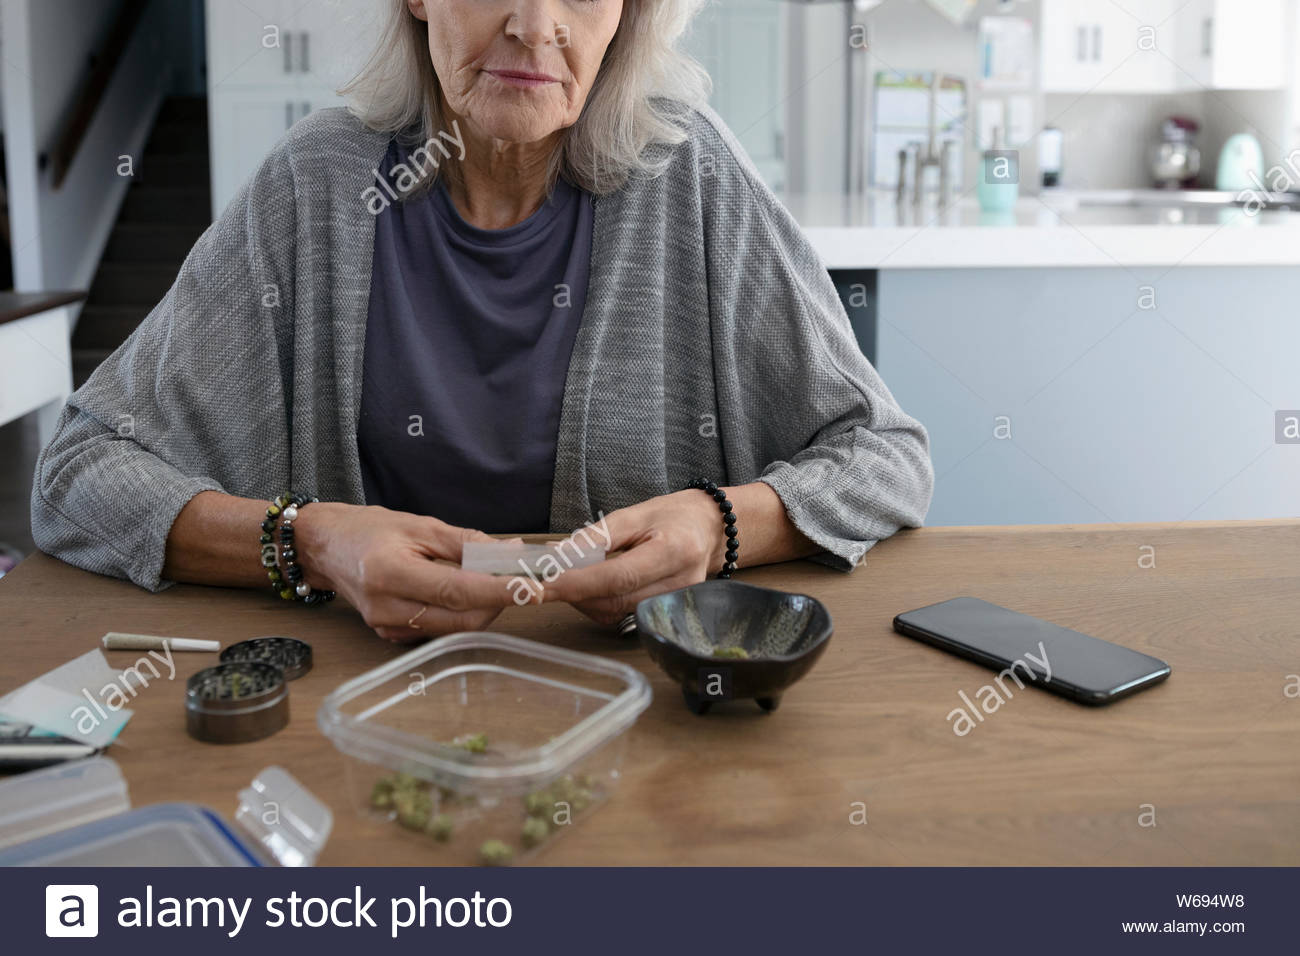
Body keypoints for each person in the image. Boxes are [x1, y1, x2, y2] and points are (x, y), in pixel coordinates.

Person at [32, 0, 932, 641]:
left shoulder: (690, 176)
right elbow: (77, 473)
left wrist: (719, 525)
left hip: (642, 715)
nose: (537, 25)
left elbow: (883, 455)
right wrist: (308, 544)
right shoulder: (318, 185)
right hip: (362, 702)